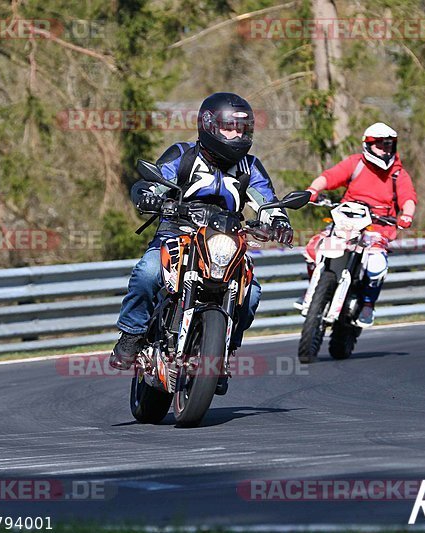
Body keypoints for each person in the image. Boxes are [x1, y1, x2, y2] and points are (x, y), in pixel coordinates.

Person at [109, 92, 293, 373]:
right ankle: (132, 335)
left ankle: (224, 350)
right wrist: (148, 196)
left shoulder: (250, 167)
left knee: (252, 295)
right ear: (208, 125)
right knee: (147, 272)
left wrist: (279, 222)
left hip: (228, 241)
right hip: (177, 232)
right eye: (228, 127)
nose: (235, 135)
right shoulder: (183, 155)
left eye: (240, 129)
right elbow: (153, 183)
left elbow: (268, 202)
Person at [299, 122, 417, 327]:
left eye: (389, 145)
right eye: (380, 145)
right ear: (368, 145)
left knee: (376, 265)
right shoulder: (356, 163)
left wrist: (407, 215)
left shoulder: (398, 173)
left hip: (378, 228)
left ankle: (368, 305)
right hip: (346, 223)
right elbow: (329, 177)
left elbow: (408, 198)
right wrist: (312, 190)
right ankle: (314, 289)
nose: (385, 150)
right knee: (313, 250)